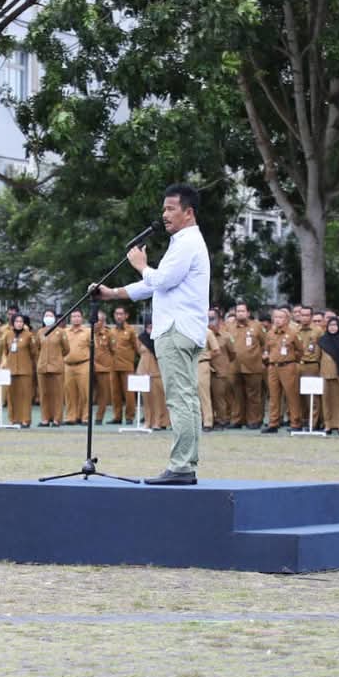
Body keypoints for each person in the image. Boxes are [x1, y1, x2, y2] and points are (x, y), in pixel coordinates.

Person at [94, 183, 210, 483]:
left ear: (188, 212)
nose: (165, 214)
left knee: (180, 399)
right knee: (186, 398)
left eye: (171, 209)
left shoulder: (187, 242)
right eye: (164, 209)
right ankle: (186, 463)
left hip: (175, 330)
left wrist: (141, 265)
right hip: (184, 330)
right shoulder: (184, 242)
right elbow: (156, 284)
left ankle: (181, 467)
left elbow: (160, 280)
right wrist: (114, 293)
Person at [262, 308, 303, 433]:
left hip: (288, 366)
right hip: (273, 367)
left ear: (287, 320)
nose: (278, 320)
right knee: (273, 396)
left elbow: (300, 351)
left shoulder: (293, 333)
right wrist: (266, 356)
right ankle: (273, 423)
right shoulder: (270, 333)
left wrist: (291, 360)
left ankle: (295, 422)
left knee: (291, 395)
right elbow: (266, 349)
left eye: (281, 317)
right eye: (276, 317)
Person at [229, 302, 267, 429]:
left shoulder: (257, 326)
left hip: (253, 366)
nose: (240, 313)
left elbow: (265, 343)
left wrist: (262, 357)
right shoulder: (230, 327)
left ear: (248, 313)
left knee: (254, 396)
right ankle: (237, 420)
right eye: (238, 311)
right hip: (235, 366)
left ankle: (254, 420)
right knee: (237, 395)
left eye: (243, 311)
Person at [3, 312, 38, 427]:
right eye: (17, 321)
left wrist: (32, 366)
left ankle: (25, 419)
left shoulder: (29, 335)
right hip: (11, 370)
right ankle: (14, 419)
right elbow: (6, 351)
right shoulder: (8, 335)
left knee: (25, 396)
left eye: (21, 321)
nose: (19, 324)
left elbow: (34, 353)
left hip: (25, 370)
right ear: (13, 323)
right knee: (12, 396)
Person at [318, 316, 339, 435]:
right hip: (326, 374)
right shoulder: (322, 340)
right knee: (327, 399)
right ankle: (328, 424)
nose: (332, 328)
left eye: (335, 325)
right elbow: (317, 357)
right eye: (330, 325)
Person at [35, 309, 68, 427]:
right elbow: (37, 348)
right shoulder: (40, 332)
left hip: (57, 367)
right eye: (46, 315)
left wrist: (57, 357)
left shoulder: (61, 332)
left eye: (50, 315)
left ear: (54, 318)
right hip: (42, 367)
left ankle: (57, 419)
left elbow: (66, 349)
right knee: (44, 394)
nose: (48, 318)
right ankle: (45, 418)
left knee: (57, 394)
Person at [136, 322, 169, 430]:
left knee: (159, 399)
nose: (150, 329)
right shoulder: (141, 338)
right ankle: (148, 421)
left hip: (157, 371)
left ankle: (160, 422)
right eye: (148, 326)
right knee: (146, 399)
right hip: (143, 371)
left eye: (152, 326)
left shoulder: (161, 338)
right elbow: (138, 351)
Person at [108, 306, 139, 424]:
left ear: (126, 316)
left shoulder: (131, 331)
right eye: (116, 314)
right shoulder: (111, 331)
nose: (118, 316)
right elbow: (109, 348)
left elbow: (137, 347)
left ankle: (130, 416)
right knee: (115, 393)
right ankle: (117, 416)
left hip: (127, 366)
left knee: (129, 393)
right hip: (114, 366)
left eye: (121, 314)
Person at [207, 308, 237, 429]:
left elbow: (232, 354)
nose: (209, 322)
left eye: (212, 319)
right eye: (207, 319)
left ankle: (222, 420)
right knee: (206, 397)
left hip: (220, 371)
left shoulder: (226, 336)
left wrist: (224, 364)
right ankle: (209, 420)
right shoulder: (202, 335)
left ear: (219, 320)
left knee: (220, 398)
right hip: (205, 370)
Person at [62, 309, 91, 425]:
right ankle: (71, 417)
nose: (76, 318)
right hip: (68, 365)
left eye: (78, 316)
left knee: (85, 392)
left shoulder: (88, 332)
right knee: (69, 393)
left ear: (82, 318)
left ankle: (85, 417)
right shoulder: (65, 331)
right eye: (73, 316)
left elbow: (94, 348)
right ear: (70, 319)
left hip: (83, 364)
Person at [298, 309, 324, 430]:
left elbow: (323, 348)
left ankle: (314, 423)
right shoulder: (295, 329)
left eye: (307, 315)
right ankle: (302, 421)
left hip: (311, 364)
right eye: (302, 315)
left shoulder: (318, 331)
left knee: (312, 395)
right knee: (299, 395)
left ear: (311, 316)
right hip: (297, 364)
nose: (304, 317)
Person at [92, 310, 115, 424]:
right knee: (86, 393)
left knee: (103, 394)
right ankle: (82, 416)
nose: (96, 323)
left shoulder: (108, 333)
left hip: (103, 367)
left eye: (99, 320)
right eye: (94, 320)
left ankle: (99, 417)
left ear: (103, 322)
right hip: (89, 367)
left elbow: (113, 350)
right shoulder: (87, 332)